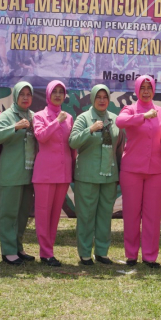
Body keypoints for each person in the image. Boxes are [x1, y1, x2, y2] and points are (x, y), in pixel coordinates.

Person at [115, 75, 161, 268]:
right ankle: (131, 255)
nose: (146, 91)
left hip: (156, 170)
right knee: (131, 213)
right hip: (131, 170)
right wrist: (143, 116)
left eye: (149, 88)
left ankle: (149, 256)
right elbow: (120, 122)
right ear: (137, 90)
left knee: (152, 215)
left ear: (154, 90)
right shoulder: (130, 109)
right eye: (142, 88)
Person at [69, 84, 124, 266]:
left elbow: (119, 148)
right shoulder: (83, 118)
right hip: (87, 176)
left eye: (105, 97)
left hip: (109, 176)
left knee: (105, 215)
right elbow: (73, 142)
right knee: (86, 216)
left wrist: (119, 172)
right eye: (98, 97)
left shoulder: (115, 119)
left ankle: (102, 252)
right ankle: (85, 254)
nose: (102, 100)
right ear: (92, 98)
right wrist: (90, 129)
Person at [0, 81, 37, 265]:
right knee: (8, 213)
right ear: (15, 96)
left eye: (28, 94)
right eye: (22, 94)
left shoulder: (33, 116)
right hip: (10, 173)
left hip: (28, 173)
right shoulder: (7, 115)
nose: (25, 98)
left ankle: (18, 247)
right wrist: (15, 127)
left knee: (23, 214)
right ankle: (8, 251)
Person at [31, 80, 76, 266]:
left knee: (55, 214)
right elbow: (41, 136)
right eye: (54, 91)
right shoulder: (39, 116)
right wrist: (57, 122)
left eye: (61, 92)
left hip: (63, 173)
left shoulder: (69, 118)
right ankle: (46, 253)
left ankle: (49, 250)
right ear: (48, 94)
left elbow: (71, 145)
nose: (58, 95)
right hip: (45, 173)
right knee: (43, 214)